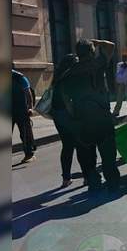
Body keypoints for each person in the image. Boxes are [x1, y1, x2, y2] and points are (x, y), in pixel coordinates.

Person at [58, 39, 121, 191]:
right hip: (102, 116)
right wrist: (97, 42)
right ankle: (112, 183)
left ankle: (94, 184)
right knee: (108, 154)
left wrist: (74, 114)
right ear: (92, 51)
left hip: (82, 118)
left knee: (87, 156)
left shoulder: (68, 73)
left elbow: (66, 99)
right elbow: (111, 46)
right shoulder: (98, 64)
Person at [50, 54, 79, 187]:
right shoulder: (70, 76)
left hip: (57, 114)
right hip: (67, 114)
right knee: (80, 144)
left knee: (67, 146)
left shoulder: (57, 77)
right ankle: (87, 175)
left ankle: (66, 178)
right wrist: (74, 114)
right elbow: (67, 99)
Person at [12, 67, 36, 163]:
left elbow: (28, 93)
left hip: (21, 109)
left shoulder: (19, 77)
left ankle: (29, 154)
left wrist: (30, 107)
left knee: (25, 133)